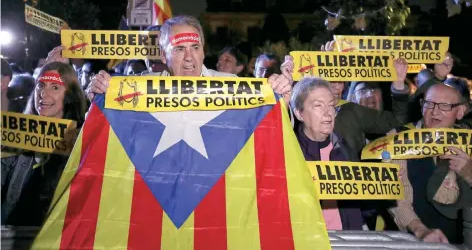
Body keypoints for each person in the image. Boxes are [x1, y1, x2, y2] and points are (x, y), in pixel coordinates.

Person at [86, 15, 293, 102]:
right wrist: (100, 94)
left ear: (203, 51)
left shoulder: (232, 86)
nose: (188, 57)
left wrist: (280, 96)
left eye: (195, 47)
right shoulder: (136, 86)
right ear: (164, 55)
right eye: (178, 49)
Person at [282, 49, 410, 161]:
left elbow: (395, 122)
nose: (336, 86)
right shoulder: (294, 130)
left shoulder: (352, 112)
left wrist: (398, 85)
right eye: (331, 79)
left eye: (340, 80)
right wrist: (285, 89)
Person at [2, 62, 87, 226]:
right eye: (41, 86)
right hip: (11, 237)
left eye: (55, 88)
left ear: (69, 96)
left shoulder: (82, 141)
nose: (43, 93)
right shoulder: (16, 135)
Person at [389, 83, 472, 244]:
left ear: (460, 111)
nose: (434, 112)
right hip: (416, 241)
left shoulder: (469, 140)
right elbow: (396, 195)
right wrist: (421, 231)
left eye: (444, 106)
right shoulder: (400, 138)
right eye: (429, 103)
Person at [291, 77, 363, 230]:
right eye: (318, 105)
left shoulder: (344, 148)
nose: (328, 113)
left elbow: (360, 209)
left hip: (351, 242)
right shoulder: (290, 155)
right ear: (299, 114)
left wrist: (381, 188)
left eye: (331, 106)